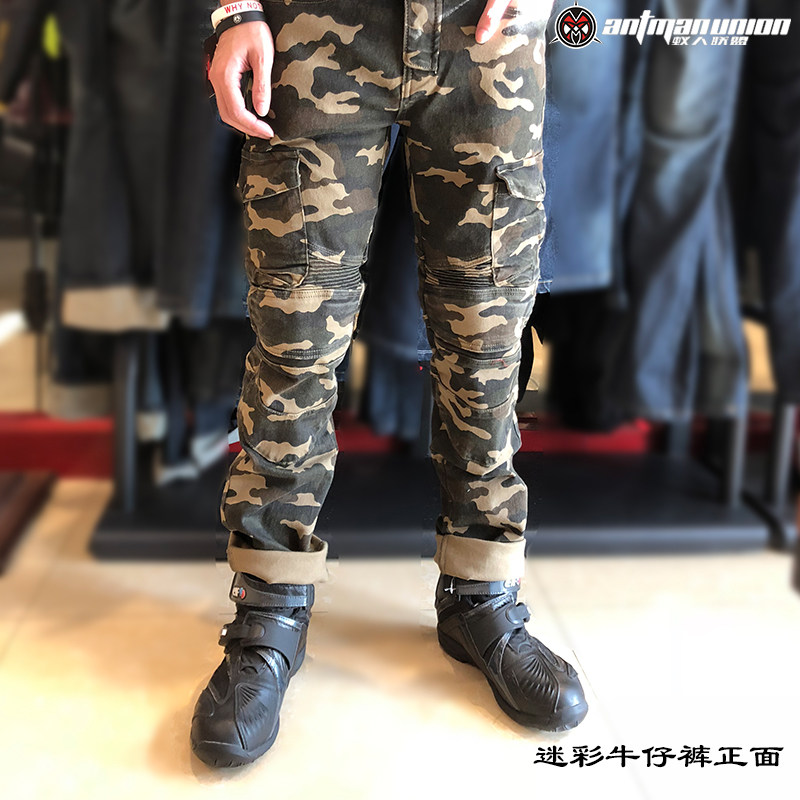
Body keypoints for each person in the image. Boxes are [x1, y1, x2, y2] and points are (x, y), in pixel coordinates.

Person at [191, 0, 588, 768]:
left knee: (487, 340)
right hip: (313, 30)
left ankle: (481, 593)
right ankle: (269, 606)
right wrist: (232, 9)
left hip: (486, 40)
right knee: (295, 338)